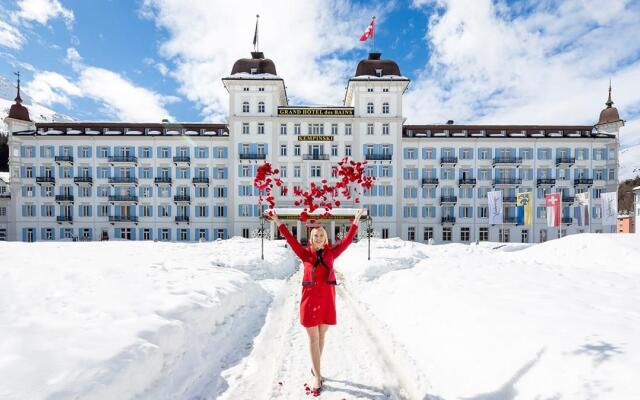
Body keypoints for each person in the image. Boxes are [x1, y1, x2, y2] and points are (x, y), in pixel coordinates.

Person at [269, 208, 365, 394]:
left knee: (322, 337)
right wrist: (278, 221)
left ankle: (316, 368)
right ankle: (317, 376)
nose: (319, 237)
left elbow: (346, 242)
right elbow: (290, 239)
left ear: (326, 238)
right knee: (313, 338)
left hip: (328, 299)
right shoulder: (305, 255)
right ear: (311, 238)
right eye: (316, 235)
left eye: (322, 234)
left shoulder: (332, 254)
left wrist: (355, 222)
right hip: (310, 300)